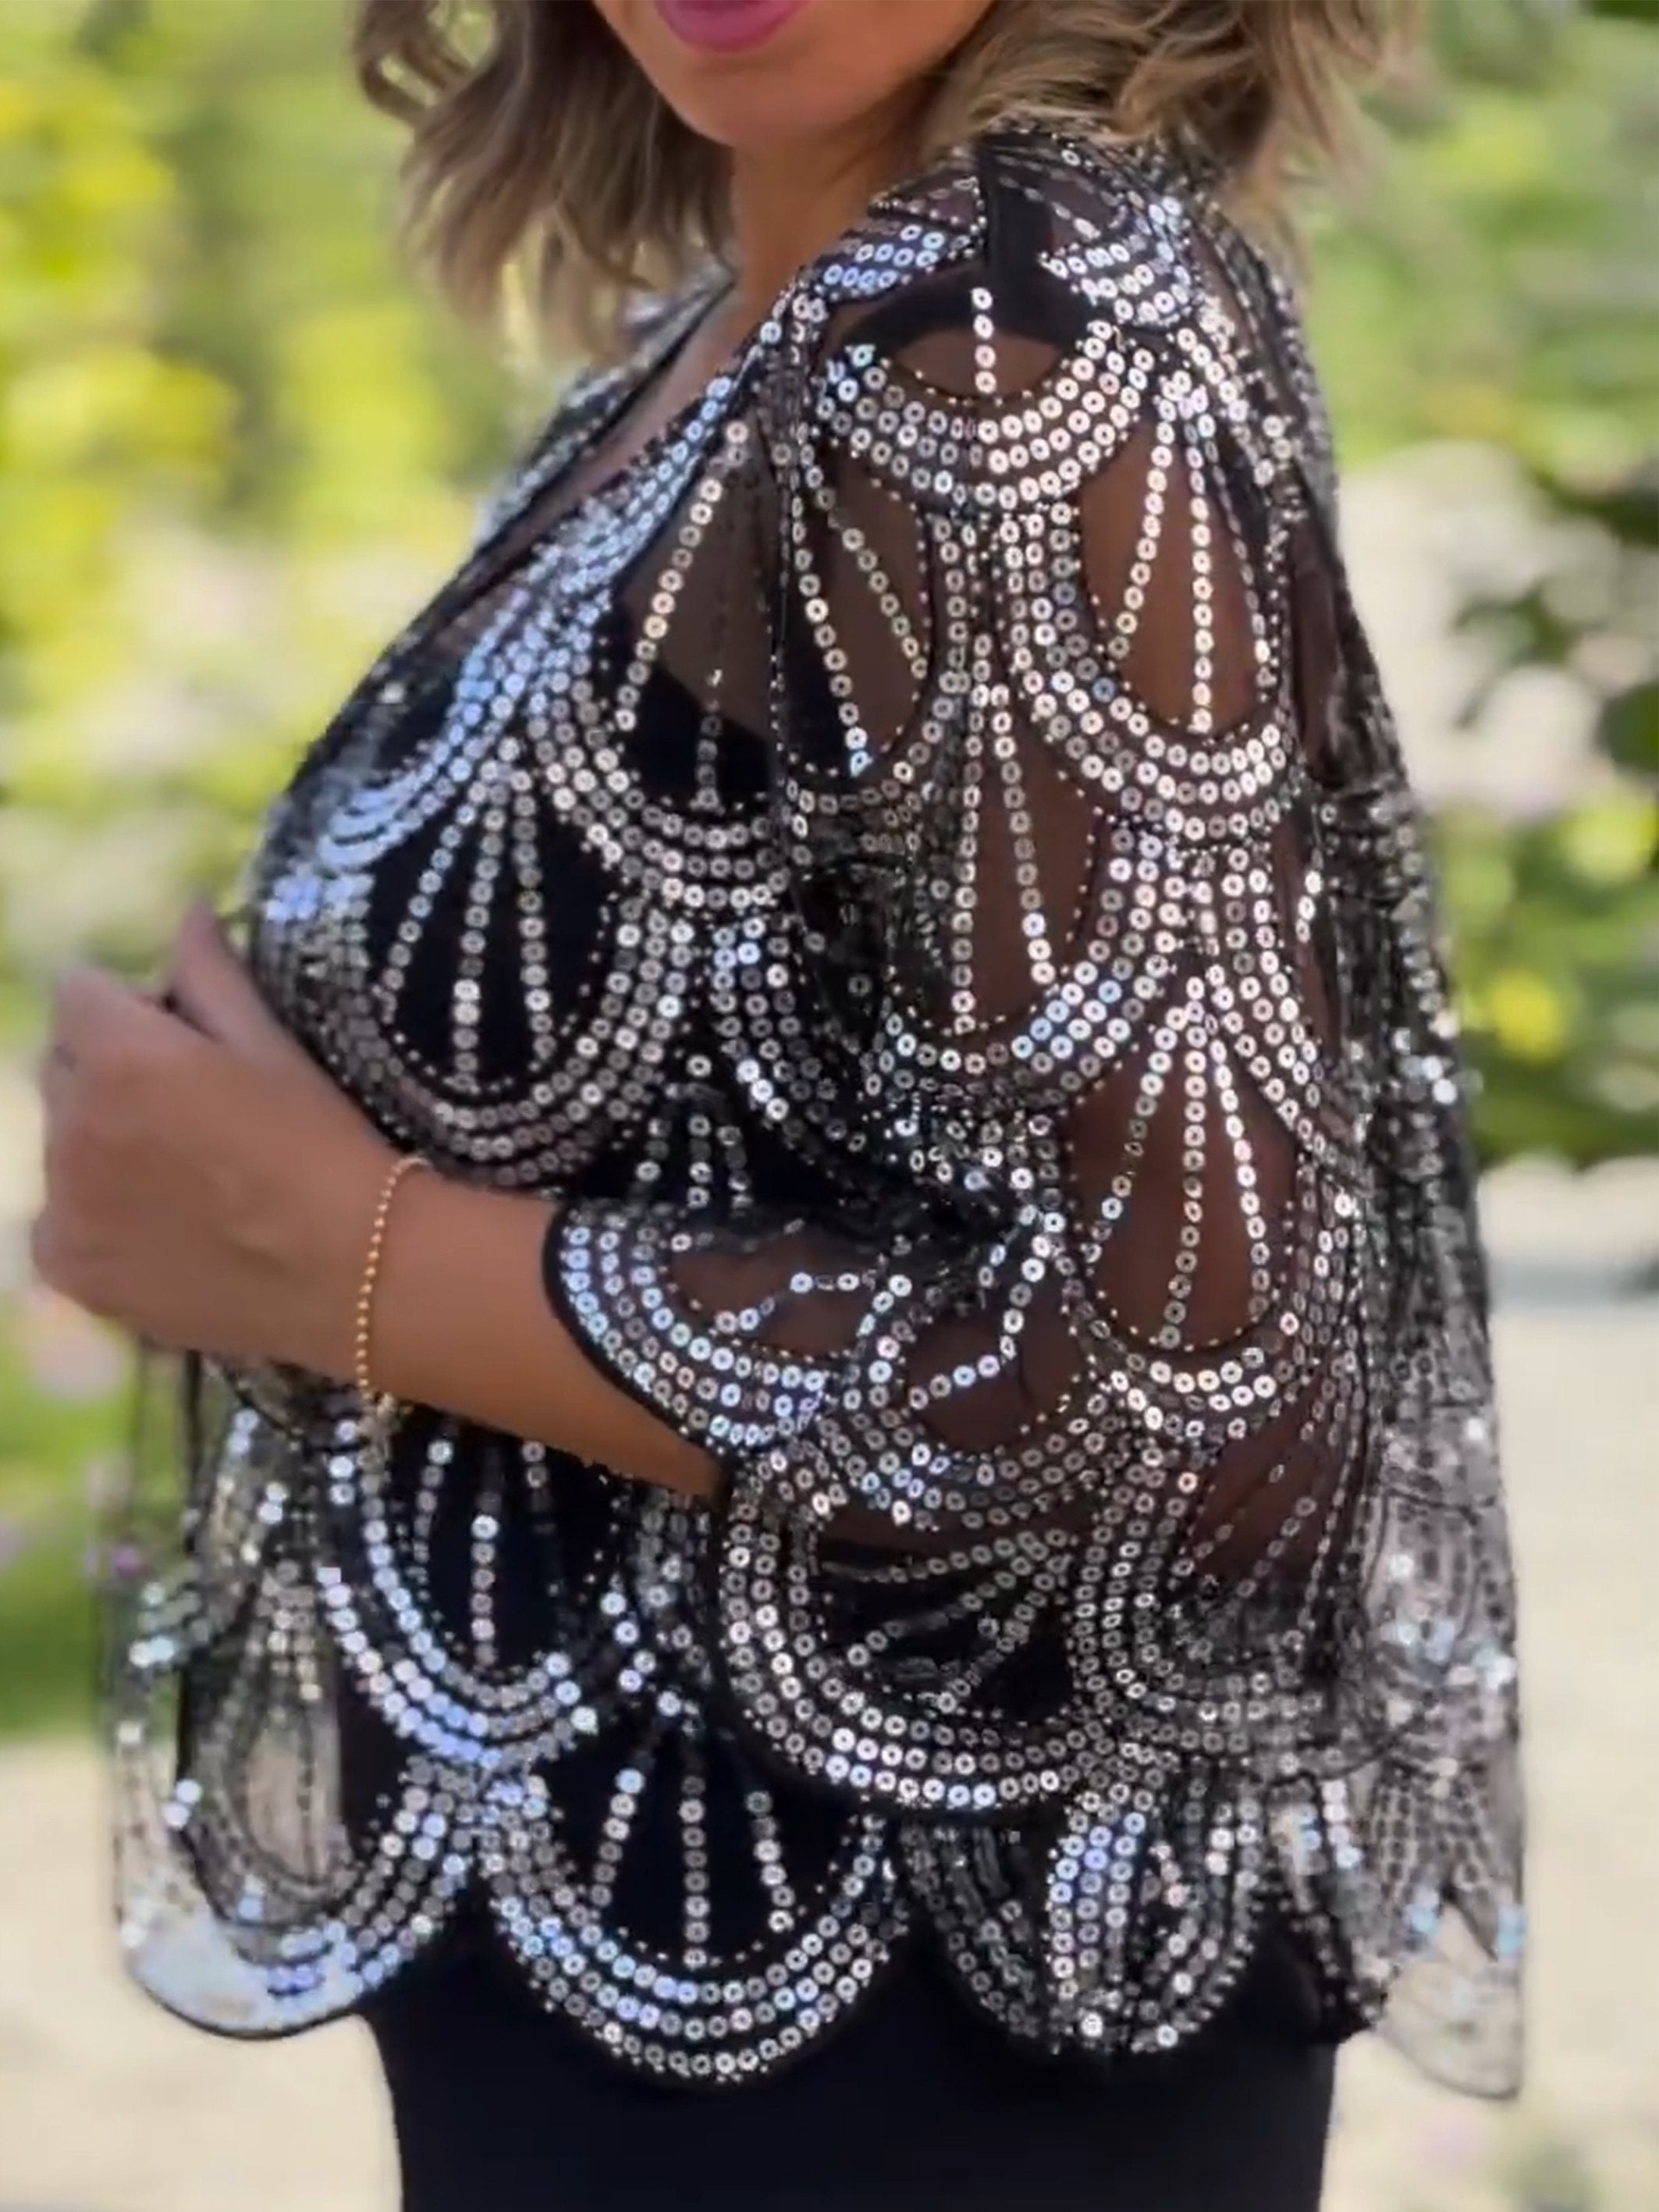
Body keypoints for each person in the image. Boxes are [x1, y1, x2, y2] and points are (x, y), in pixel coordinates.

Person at [33, 1, 1526, 2205]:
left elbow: (1200, 1413)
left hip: (904, 2062)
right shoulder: (757, 320)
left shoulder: (1006, 334)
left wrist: (342, 1256)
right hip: (666, 2010)